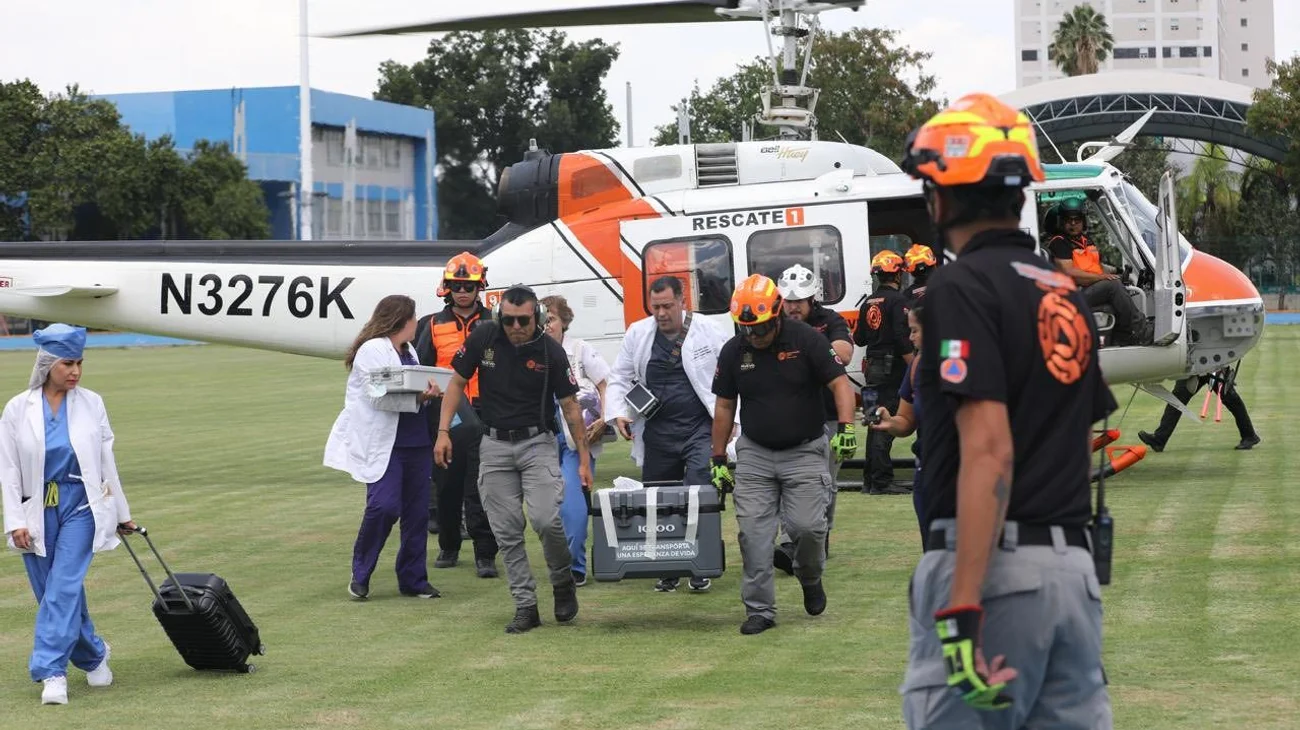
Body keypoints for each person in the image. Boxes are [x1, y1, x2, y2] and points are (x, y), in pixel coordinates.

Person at [897, 92, 1117, 728]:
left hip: (996, 576)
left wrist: (963, 602)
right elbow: (1078, 441)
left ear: (944, 196)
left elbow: (988, 447)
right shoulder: (1061, 293)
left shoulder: (959, 287)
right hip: (1072, 578)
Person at [710, 274, 859, 635]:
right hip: (755, 454)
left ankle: (810, 576)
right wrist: (717, 459)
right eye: (746, 328)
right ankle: (760, 610)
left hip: (805, 450)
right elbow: (725, 406)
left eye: (760, 328)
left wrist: (846, 428)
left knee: (808, 527)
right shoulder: (735, 351)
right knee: (753, 535)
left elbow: (840, 383)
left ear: (776, 315)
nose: (754, 336)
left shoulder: (807, 340)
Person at [437, 285, 588, 634]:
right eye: (509, 320)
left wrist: (582, 457)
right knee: (506, 531)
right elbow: (457, 382)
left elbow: (570, 407)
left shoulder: (551, 351)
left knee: (546, 520)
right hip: (493, 445)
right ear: (498, 317)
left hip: (537, 442)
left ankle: (562, 581)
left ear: (536, 317)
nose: (516, 327)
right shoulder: (483, 338)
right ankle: (525, 606)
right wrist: (443, 432)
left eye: (523, 320)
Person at [0, 324, 136, 706]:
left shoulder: (93, 402)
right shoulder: (16, 408)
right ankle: (94, 655)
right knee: (53, 593)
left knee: (62, 588)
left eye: (79, 363)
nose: (75, 371)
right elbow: (8, 469)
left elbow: (107, 462)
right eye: (67, 363)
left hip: (82, 506)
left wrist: (122, 513)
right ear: (47, 364)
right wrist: (15, 521)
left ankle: (51, 672)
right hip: (36, 510)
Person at [604, 275, 733, 593]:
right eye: (655, 307)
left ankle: (700, 565)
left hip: (699, 428)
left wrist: (734, 425)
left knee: (699, 492)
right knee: (658, 499)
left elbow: (729, 380)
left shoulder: (709, 331)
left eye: (667, 306)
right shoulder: (638, 333)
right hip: (658, 431)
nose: (661, 314)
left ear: (682, 302)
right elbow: (619, 376)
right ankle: (667, 566)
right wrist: (620, 412)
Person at [325, 295, 443, 602]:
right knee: (384, 507)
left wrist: (427, 393)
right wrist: (421, 397)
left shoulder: (409, 350)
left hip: (416, 441)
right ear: (402, 320)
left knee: (417, 514)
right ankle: (361, 574)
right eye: (414, 318)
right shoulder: (372, 349)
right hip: (384, 443)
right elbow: (378, 395)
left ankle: (414, 580)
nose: (417, 323)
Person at [414, 252, 500, 579]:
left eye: (469, 285)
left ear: (479, 287)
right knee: (447, 484)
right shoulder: (433, 325)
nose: (463, 291)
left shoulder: (494, 323)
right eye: (457, 285)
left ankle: (485, 554)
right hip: (447, 418)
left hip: (485, 413)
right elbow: (422, 370)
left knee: (482, 486)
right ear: (447, 288)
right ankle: (448, 545)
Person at [771, 263, 854, 575]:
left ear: (812, 301)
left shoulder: (829, 321)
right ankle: (791, 543)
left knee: (824, 482)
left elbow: (844, 353)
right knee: (787, 481)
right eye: (788, 302)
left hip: (830, 414)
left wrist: (810, 353)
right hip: (791, 416)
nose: (792, 308)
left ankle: (819, 537)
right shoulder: (775, 323)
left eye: (798, 302)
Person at [541, 295, 612, 587]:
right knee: (547, 508)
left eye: (552, 319)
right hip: (542, 437)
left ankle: (574, 567)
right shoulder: (529, 352)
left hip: (576, 438)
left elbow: (606, 383)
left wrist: (603, 419)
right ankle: (562, 562)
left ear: (564, 321)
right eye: (542, 320)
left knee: (572, 502)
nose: (547, 326)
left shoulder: (580, 349)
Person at [1046, 197, 1151, 346]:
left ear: (1083, 221)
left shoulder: (1086, 241)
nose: (1073, 224)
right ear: (1062, 222)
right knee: (1112, 285)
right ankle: (1141, 331)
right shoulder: (1059, 242)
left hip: (1090, 288)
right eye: (1069, 220)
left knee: (1118, 283)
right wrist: (1102, 278)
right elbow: (1070, 273)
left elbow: (1097, 266)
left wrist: (1118, 271)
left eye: (1077, 220)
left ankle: (1123, 336)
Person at [854, 250, 914, 495]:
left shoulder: (867, 302)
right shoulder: (898, 302)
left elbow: (858, 339)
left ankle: (870, 479)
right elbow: (902, 339)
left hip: (874, 367)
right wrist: (915, 367)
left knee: (873, 420)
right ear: (897, 274)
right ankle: (881, 481)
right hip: (893, 368)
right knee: (885, 420)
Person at [871, 303, 926, 545]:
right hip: (929, 473)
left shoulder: (970, 361)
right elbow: (906, 422)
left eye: (915, 330)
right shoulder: (916, 366)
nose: (910, 337)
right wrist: (889, 422)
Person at [1138, 364, 1260, 452]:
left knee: (1231, 400)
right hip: (1194, 366)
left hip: (1213, 364)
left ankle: (1249, 436)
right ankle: (1160, 439)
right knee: (1177, 399)